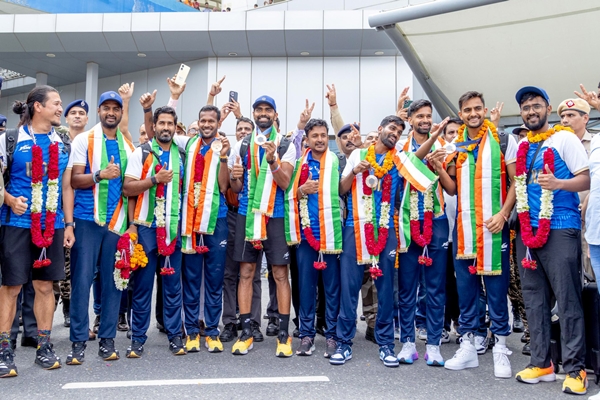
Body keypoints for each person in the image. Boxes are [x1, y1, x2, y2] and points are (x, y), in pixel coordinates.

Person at [331, 115, 441, 367]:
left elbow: (418, 160)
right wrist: (355, 172)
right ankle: (344, 343)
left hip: (386, 229)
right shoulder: (358, 155)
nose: (395, 133)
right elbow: (341, 189)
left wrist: (433, 138)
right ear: (380, 129)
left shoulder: (399, 158)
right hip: (355, 228)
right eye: (392, 128)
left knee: (386, 291)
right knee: (349, 289)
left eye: (400, 130)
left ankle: (385, 344)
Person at [513, 86, 590, 395]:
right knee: (534, 299)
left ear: (546, 108)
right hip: (528, 232)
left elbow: (585, 177)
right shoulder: (522, 146)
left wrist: (559, 183)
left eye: (536, 105)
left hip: (560, 226)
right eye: (526, 107)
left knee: (568, 298)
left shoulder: (565, 139)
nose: (531, 111)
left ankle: (576, 368)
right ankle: (542, 362)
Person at [0, 85, 74, 377]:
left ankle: (44, 347)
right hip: (16, 225)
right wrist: (7, 199)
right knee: (11, 288)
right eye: (56, 104)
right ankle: (4, 350)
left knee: (45, 287)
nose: (60, 109)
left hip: (52, 226)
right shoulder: (10, 139)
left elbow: (67, 187)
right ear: (37, 107)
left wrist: (68, 225)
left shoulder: (63, 142)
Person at [444, 91, 516, 380]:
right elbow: (450, 189)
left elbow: (515, 181)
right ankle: (469, 346)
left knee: (497, 291)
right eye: (467, 110)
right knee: (466, 292)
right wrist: (439, 167)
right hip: (464, 230)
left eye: (477, 108)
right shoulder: (456, 145)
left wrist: (503, 214)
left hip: (493, 228)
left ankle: (499, 346)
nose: (473, 113)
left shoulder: (502, 140)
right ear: (461, 114)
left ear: (484, 110)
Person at [67, 91, 135, 365]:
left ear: (120, 113)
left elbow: (131, 191)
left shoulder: (128, 147)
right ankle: (78, 341)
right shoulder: (84, 140)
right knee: (82, 281)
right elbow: (74, 180)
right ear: (99, 111)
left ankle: (107, 340)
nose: (111, 112)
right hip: (87, 220)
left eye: (115, 108)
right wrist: (100, 175)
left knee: (115, 282)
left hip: (117, 223)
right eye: (106, 108)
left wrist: (131, 226)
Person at [228, 95, 296, 357]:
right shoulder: (242, 144)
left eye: (268, 109)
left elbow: (286, 182)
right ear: (254, 113)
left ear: (275, 115)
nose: (263, 113)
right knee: (246, 272)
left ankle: (283, 334)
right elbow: (236, 188)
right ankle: (246, 333)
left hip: (275, 215)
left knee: (280, 274)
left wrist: (272, 161)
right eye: (259, 109)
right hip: (247, 213)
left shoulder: (286, 143)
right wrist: (235, 179)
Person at [123, 105, 186, 357]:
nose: (166, 128)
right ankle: (137, 338)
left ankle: (175, 336)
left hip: (173, 229)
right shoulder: (142, 153)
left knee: (172, 286)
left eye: (170, 124)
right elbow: (128, 189)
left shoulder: (182, 154)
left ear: (175, 127)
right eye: (162, 123)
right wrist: (154, 180)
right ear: (154, 126)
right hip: (147, 228)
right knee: (142, 286)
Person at [396, 99, 455, 367]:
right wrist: (432, 140)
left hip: (437, 220)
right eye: (419, 116)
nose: (425, 120)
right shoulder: (400, 146)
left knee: (435, 287)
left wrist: (441, 166)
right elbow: (408, 167)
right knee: (407, 286)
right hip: (408, 222)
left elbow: (452, 189)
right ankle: (408, 343)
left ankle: (433, 344)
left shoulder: (445, 147)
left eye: (428, 116)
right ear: (409, 119)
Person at [284, 118, 342, 358]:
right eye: (314, 136)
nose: (319, 139)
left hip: (331, 235)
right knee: (306, 287)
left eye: (323, 135)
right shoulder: (298, 163)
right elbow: (286, 193)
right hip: (306, 236)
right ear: (306, 139)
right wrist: (300, 191)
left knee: (332, 288)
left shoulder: (337, 161)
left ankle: (332, 335)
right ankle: (306, 334)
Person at [177, 105, 231, 353]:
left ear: (219, 123)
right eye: (203, 120)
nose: (207, 124)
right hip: (190, 220)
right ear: (197, 122)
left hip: (216, 219)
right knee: (191, 278)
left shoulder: (224, 147)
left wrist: (223, 159)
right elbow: (154, 128)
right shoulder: (188, 145)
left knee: (214, 278)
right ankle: (191, 331)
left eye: (211, 120)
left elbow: (223, 186)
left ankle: (211, 331)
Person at [220, 117, 264, 343]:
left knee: (252, 273)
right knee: (230, 271)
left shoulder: (259, 151)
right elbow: (229, 186)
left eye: (248, 129)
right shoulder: (233, 154)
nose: (244, 133)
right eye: (240, 130)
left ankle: (253, 322)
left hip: (256, 215)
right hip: (233, 215)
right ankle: (229, 321)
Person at [59, 99, 90, 328]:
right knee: (54, 263)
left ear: (87, 119)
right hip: (55, 209)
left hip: (81, 210)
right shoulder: (57, 141)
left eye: (82, 113)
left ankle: (70, 309)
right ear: (66, 118)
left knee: (74, 265)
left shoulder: (91, 141)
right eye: (73, 113)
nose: (78, 116)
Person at [557, 98, 593, 277]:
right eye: (563, 116)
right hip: (563, 220)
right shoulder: (554, 144)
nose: (565, 120)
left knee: (592, 271)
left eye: (570, 115)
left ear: (585, 118)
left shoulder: (596, 143)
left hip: (591, 220)